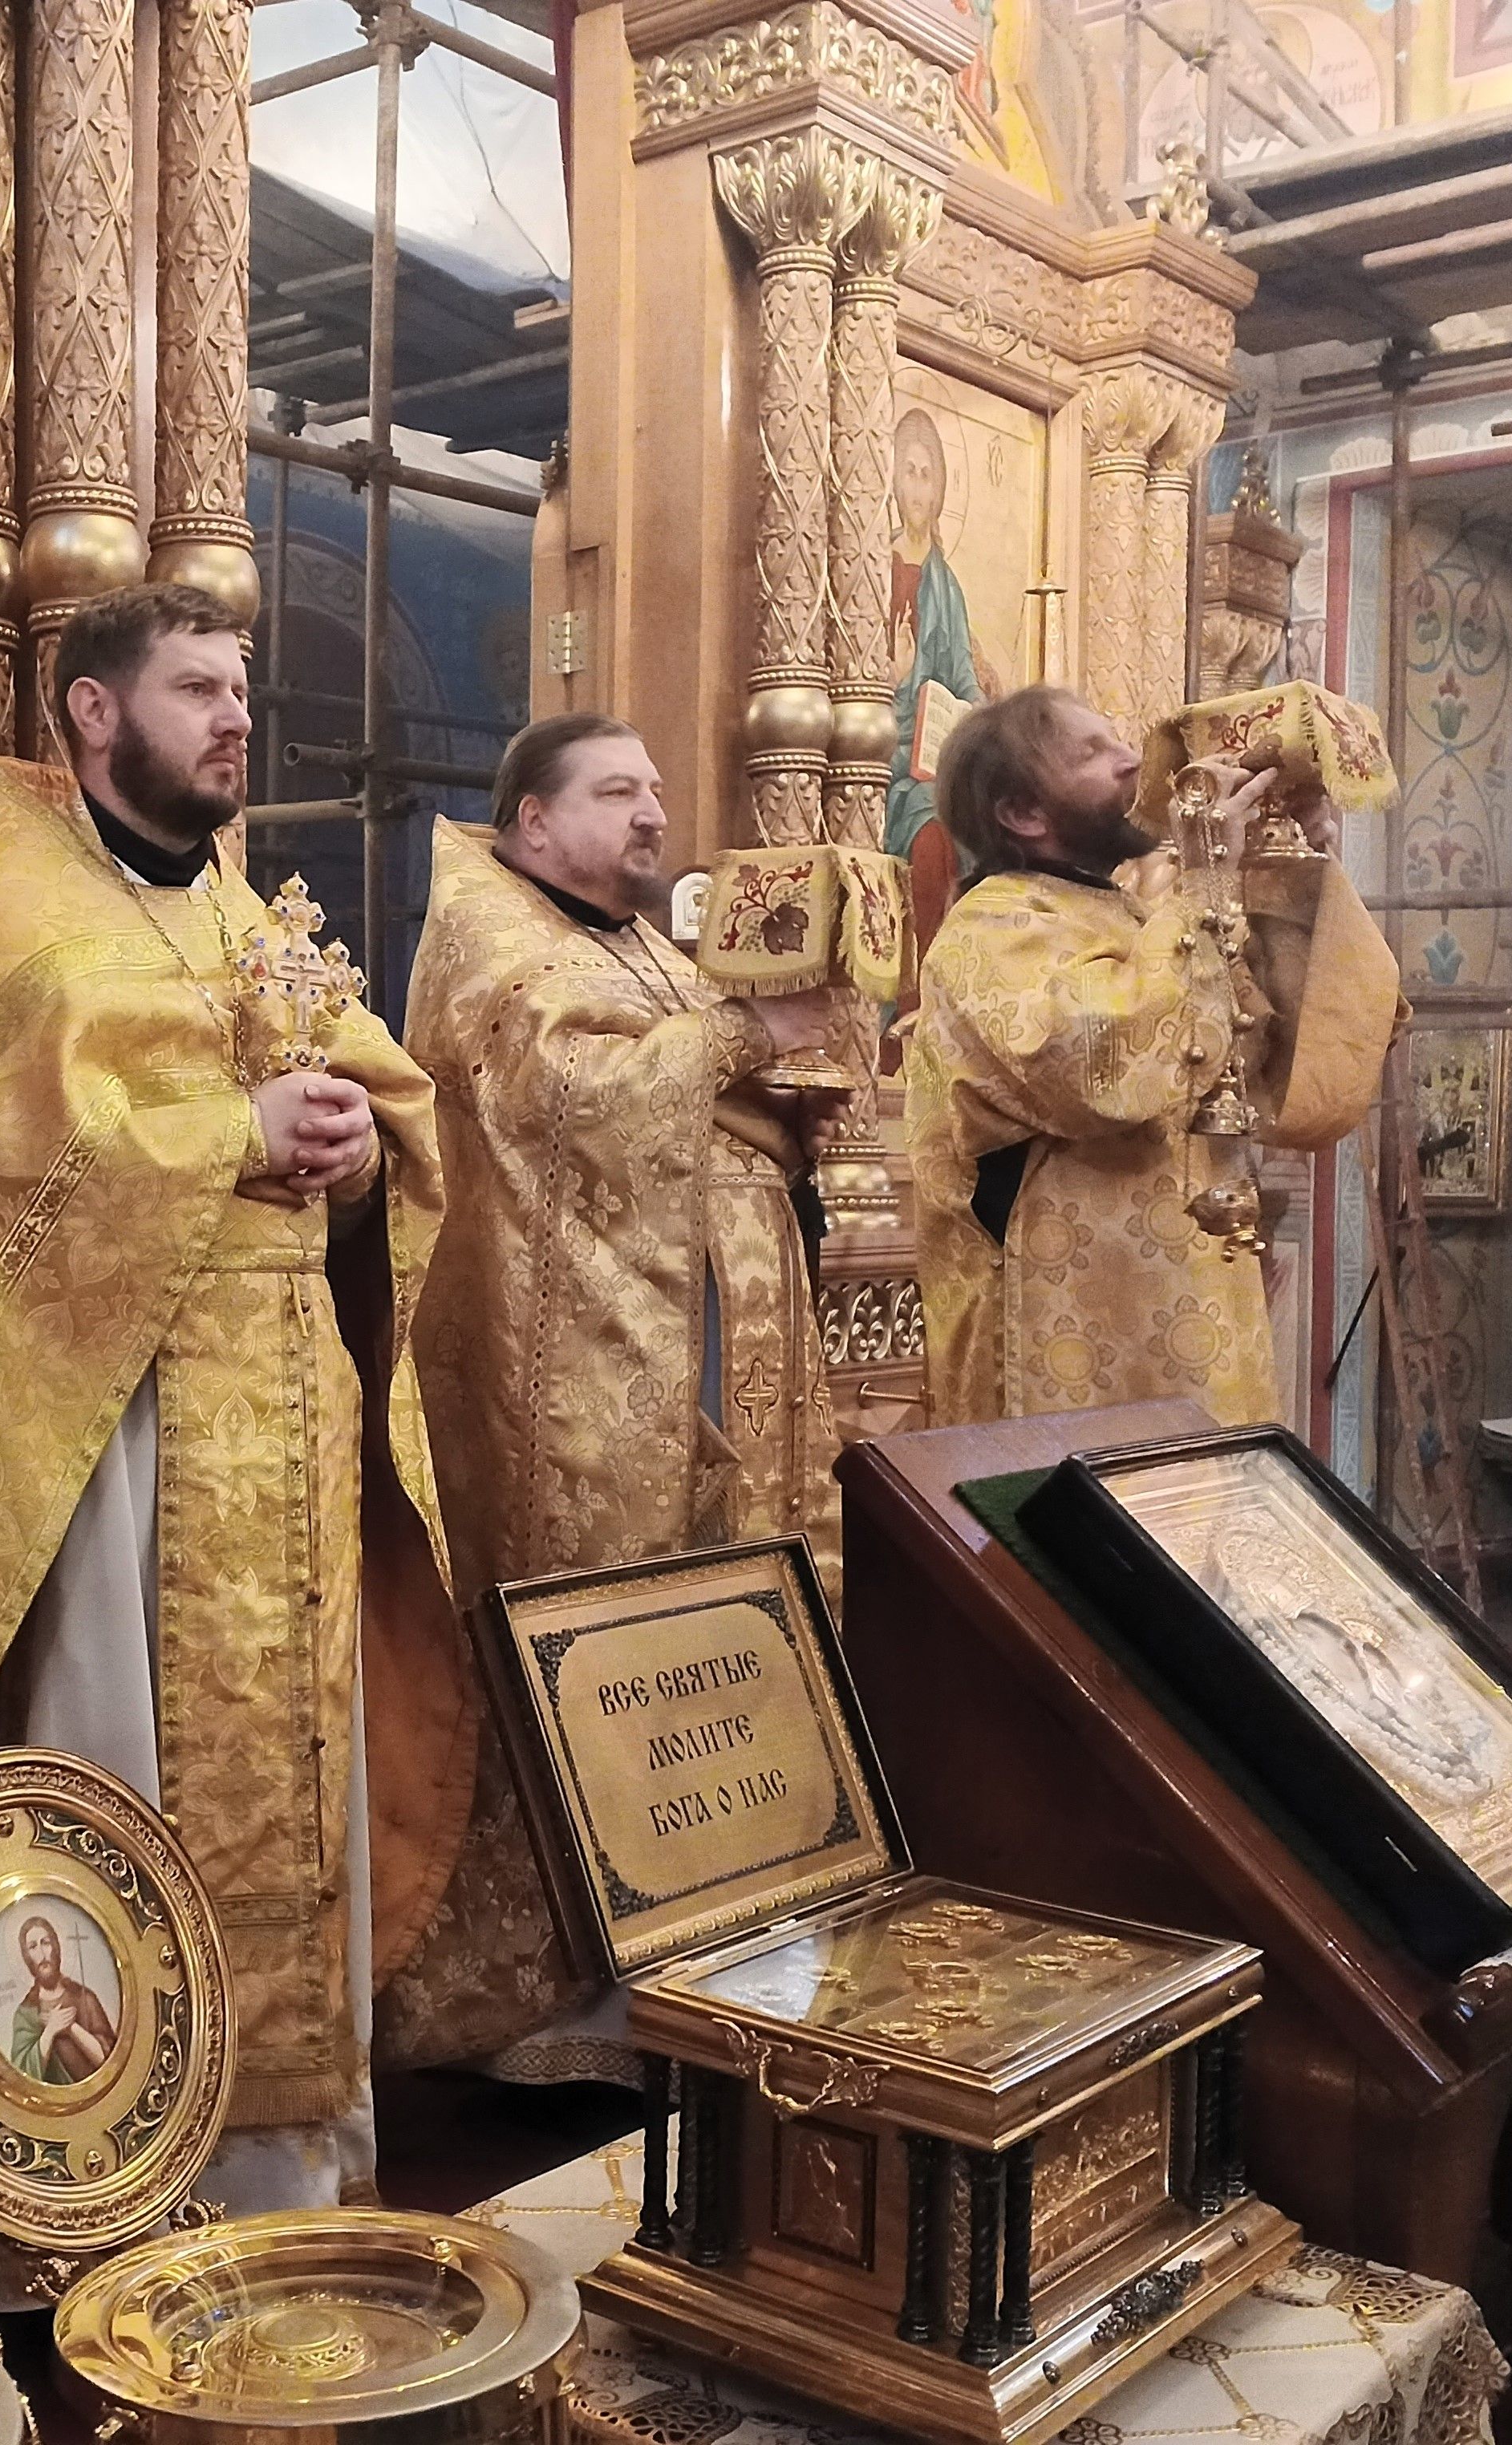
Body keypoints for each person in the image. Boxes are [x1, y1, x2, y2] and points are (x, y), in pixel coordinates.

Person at [0, 584, 482, 2249]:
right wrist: (230, 1134)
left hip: (284, 1418)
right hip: (110, 1436)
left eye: (238, 689)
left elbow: (373, 1093)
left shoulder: (243, 915)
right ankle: (90, 2184)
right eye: (197, 688)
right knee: (106, 1762)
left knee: (297, 1773)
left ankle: (283, 2175)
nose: (235, 718)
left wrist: (359, 1148)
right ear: (91, 712)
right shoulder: (24, 915)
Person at [395, 712, 853, 2086]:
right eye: (615, 790)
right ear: (533, 820)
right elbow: (576, 1098)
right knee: (594, 1638)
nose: (652, 811)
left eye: (653, 786)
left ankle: (706, 1938)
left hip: (690, 1353)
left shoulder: (641, 944)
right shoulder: (492, 937)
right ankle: (557, 1984)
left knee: (710, 1622)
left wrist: (779, 1091)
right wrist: (742, 1038)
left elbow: (718, 1095)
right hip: (572, 1378)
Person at [905, 686, 1396, 1427]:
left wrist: (1289, 870)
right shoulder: (989, 929)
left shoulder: (1141, 919)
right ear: (1024, 813)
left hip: (1196, 1319)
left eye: (1117, 738)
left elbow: (1289, 1063)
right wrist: (1206, 878)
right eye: (1092, 752)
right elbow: (1099, 1072)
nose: (1132, 760)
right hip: (1073, 1346)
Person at [883, 406, 1002, 1020]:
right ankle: (909, 1005)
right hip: (882, 751)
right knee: (931, 836)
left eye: (927, 475)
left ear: (941, 489)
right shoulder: (872, 567)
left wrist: (978, 714)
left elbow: (960, 677)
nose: (917, 488)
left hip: (933, 753)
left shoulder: (945, 583)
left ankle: (952, 1004)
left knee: (975, 825)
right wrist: (895, 678)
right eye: (908, 472)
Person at [6, 1917, 119, 2086]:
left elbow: (109, 2061)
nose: (42, 1954)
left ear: (56, 1948)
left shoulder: (85, 1998)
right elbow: (22, 2076)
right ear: (27, 1957)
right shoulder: (26, 2013)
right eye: (33, 1947)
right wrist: (50, 2031)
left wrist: (71, 2027)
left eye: (45, 1943)